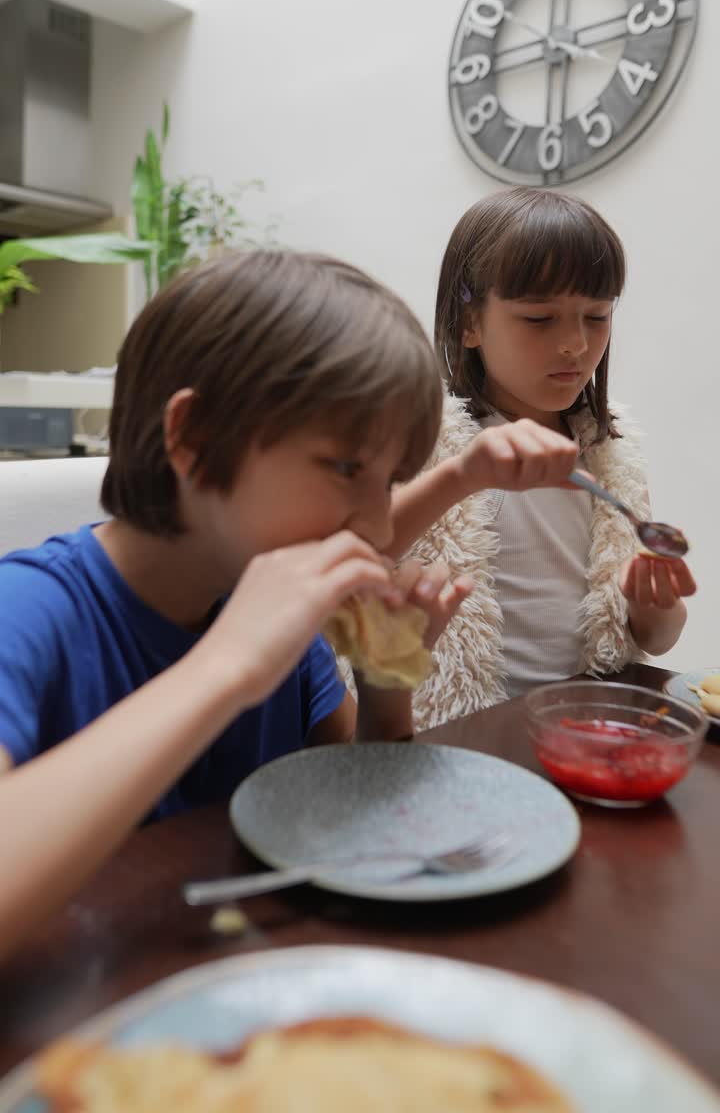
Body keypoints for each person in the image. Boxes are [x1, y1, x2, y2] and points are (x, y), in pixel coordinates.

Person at [0, 248, 578, 959]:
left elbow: (353, 790)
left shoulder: (273, 601)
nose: (374, 525)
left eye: (390, 479)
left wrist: (386, 680)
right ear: (192, 436)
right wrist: (227, 664)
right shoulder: (26, 612)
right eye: (345, 468)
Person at [407, 187, 696, 728]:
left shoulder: (612, 460)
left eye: (597, 316)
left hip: (580, 730)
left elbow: (654, 640)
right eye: (540, 319)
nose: (575, 344)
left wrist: (654, 606)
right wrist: (457, 478)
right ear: (469, 321)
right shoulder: (426, 444)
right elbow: (362, 556)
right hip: (463, 737)